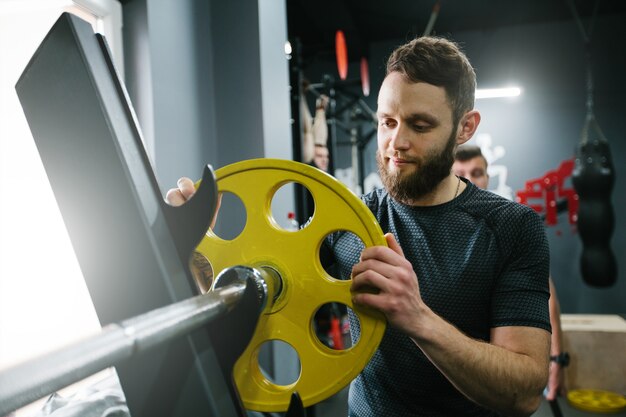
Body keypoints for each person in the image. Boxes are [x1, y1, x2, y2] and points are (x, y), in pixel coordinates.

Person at [167, 36, 551, 417]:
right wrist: (201, 256)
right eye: (387, 122)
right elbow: (265, 290)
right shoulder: (348, 219)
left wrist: (416, 316)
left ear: (465, 128)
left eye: (419, 125)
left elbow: (523, 395)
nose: (395, 142)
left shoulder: (513, 228)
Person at [453, 145, 568, 401]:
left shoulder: (512, 224)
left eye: (477, 172)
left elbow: (545, 294)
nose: (469, 180)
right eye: (460, 173)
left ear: (487, 177)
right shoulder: (432, 230)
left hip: (496, 375)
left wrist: (557, 358)